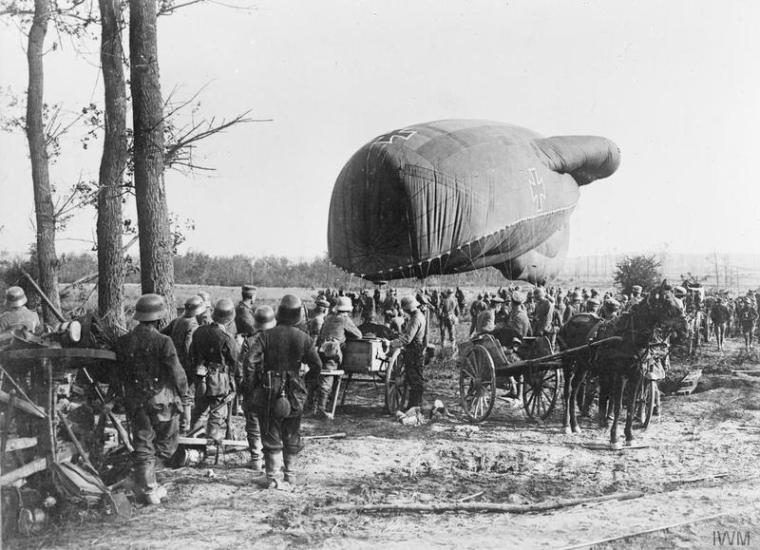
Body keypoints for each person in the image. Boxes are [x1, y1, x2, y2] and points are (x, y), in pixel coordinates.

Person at [115, 294, 187, 504]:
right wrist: (185, 397)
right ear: (158, 318)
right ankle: (147, 486)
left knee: (143, 443)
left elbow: (118, 374)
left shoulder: (124, 341)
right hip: (161, 401)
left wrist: (121, 397)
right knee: (167, 444)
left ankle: (143, 481)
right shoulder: (164, 341)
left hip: (135, 402)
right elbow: (177, 373)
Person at [246, 295, 321, 488]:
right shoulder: (305, 339)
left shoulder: (267, 335)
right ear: (298, 317)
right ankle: (291, 475)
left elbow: (250, 361)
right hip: (295, 390)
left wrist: (254, 385)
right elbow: (316, 366)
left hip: (270, 389)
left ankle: (272, 477)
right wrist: (306, 385)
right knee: (292, 431)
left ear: (279, 313)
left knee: (271, 431)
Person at [189, 299, 238, 441]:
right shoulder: (227, 338)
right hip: (219, 380)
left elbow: (191, 353)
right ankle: (212, 442)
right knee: (217, 412)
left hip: (200, 378)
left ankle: (193, 441)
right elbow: (235, 360)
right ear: (229, 319)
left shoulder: (198, 331)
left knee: (199, 411)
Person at [239, 305, 276, 472]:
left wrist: (244, 388)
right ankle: (273, 459)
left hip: (254, 388)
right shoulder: (279, 340)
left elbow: (241, 367)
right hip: (275, 388)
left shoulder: (249, 341)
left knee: (253, 423)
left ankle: (256, 459)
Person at [314, 296, 362, 419]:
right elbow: (358, 335)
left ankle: (314, 406)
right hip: (331, 352)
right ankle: (321, 409)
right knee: (327, 379)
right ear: (348, 309)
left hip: (320, 350)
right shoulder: (344, 319)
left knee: (321, 376)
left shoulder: (328, 317)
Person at [170, 295, 205, 433]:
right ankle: (185, 428)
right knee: (187, 397)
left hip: (174, 363)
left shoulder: (177, 321)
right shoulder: (193, 325)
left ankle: (176, 426)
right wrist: (193, 364)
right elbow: (188, 346)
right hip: (185, 366)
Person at [390, 295, 427, 408]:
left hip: (413, 350)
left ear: (407, 308)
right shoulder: (418, 315)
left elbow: (407, 339)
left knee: (414, 378)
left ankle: (414, 406)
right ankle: (415, 404)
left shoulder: (415, 318)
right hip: (416, 348)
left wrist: (392, 343)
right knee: (415, 377)